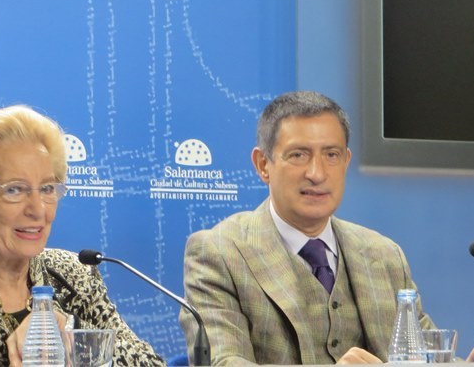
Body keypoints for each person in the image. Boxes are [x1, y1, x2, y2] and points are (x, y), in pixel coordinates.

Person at [181, 91, 442, 365]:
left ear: (346, 162)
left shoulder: (385, 256)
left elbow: (427, 358)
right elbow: (223, 363)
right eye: (298, 155)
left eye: (331, 155)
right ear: (263, 165)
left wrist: (469, 364)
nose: (317, 173)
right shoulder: (218, 254)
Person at [0, 105, 165, 366]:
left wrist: (71, 332)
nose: (38, 210)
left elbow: (150, 363)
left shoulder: (74, 276)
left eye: (46, 189)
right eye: (14, 190)